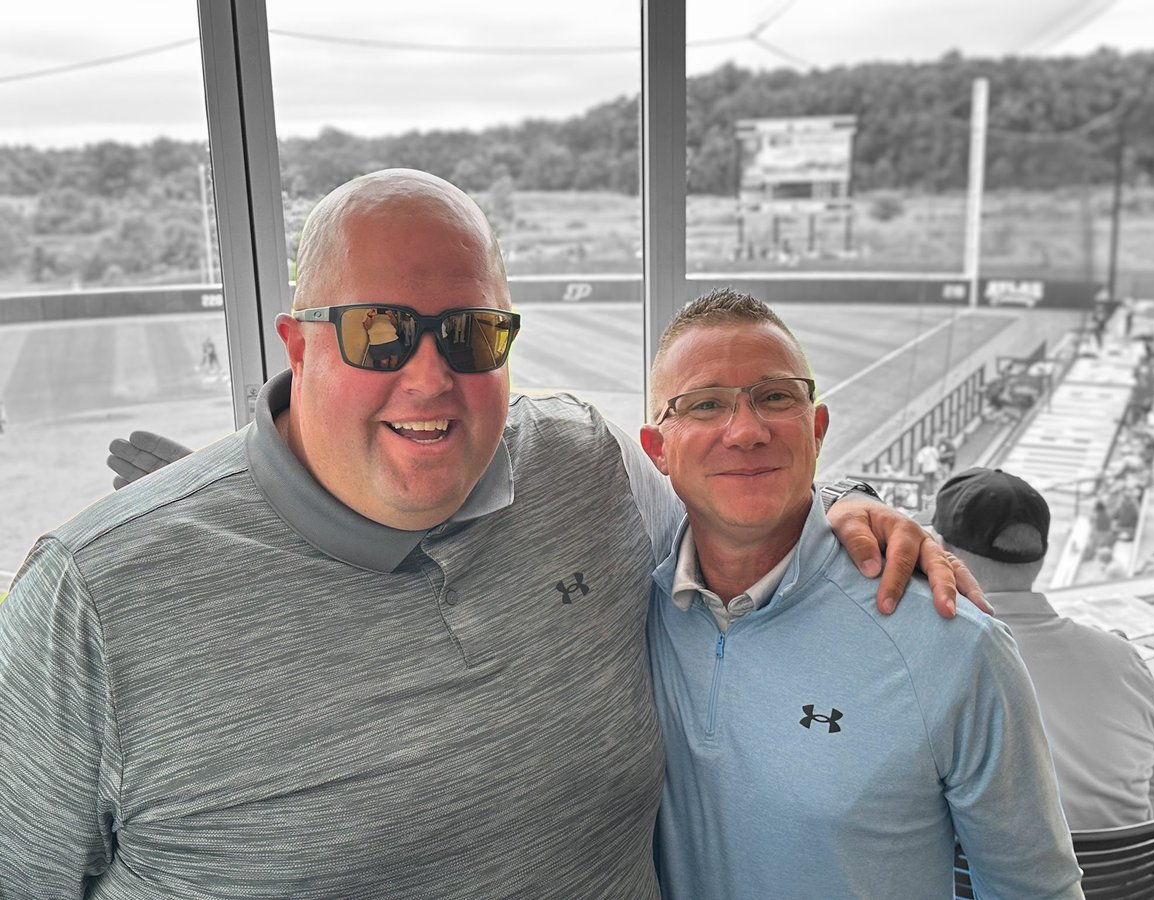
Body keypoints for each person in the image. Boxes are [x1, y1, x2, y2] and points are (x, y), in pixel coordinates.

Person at [0, 169, 978, 898]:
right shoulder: (84, 607)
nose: (429, 378)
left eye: (469, 334)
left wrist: (840, 509)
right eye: (381, 332)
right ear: (300, 346)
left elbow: (740, 522)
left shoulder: (585, 464)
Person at [640, 291, 1082, 898]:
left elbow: (1036, 889)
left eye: (776, 397)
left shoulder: (956, 644)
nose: (745, 430)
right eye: (705, 404)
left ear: (816, 429)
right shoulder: (630, 605)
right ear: (658, 450)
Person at [934, 467, 1154, 831]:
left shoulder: (937, 667)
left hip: (1007, 870)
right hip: (1143, 866)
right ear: (1041, 557)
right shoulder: (1123, 657)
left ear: (942, 554)